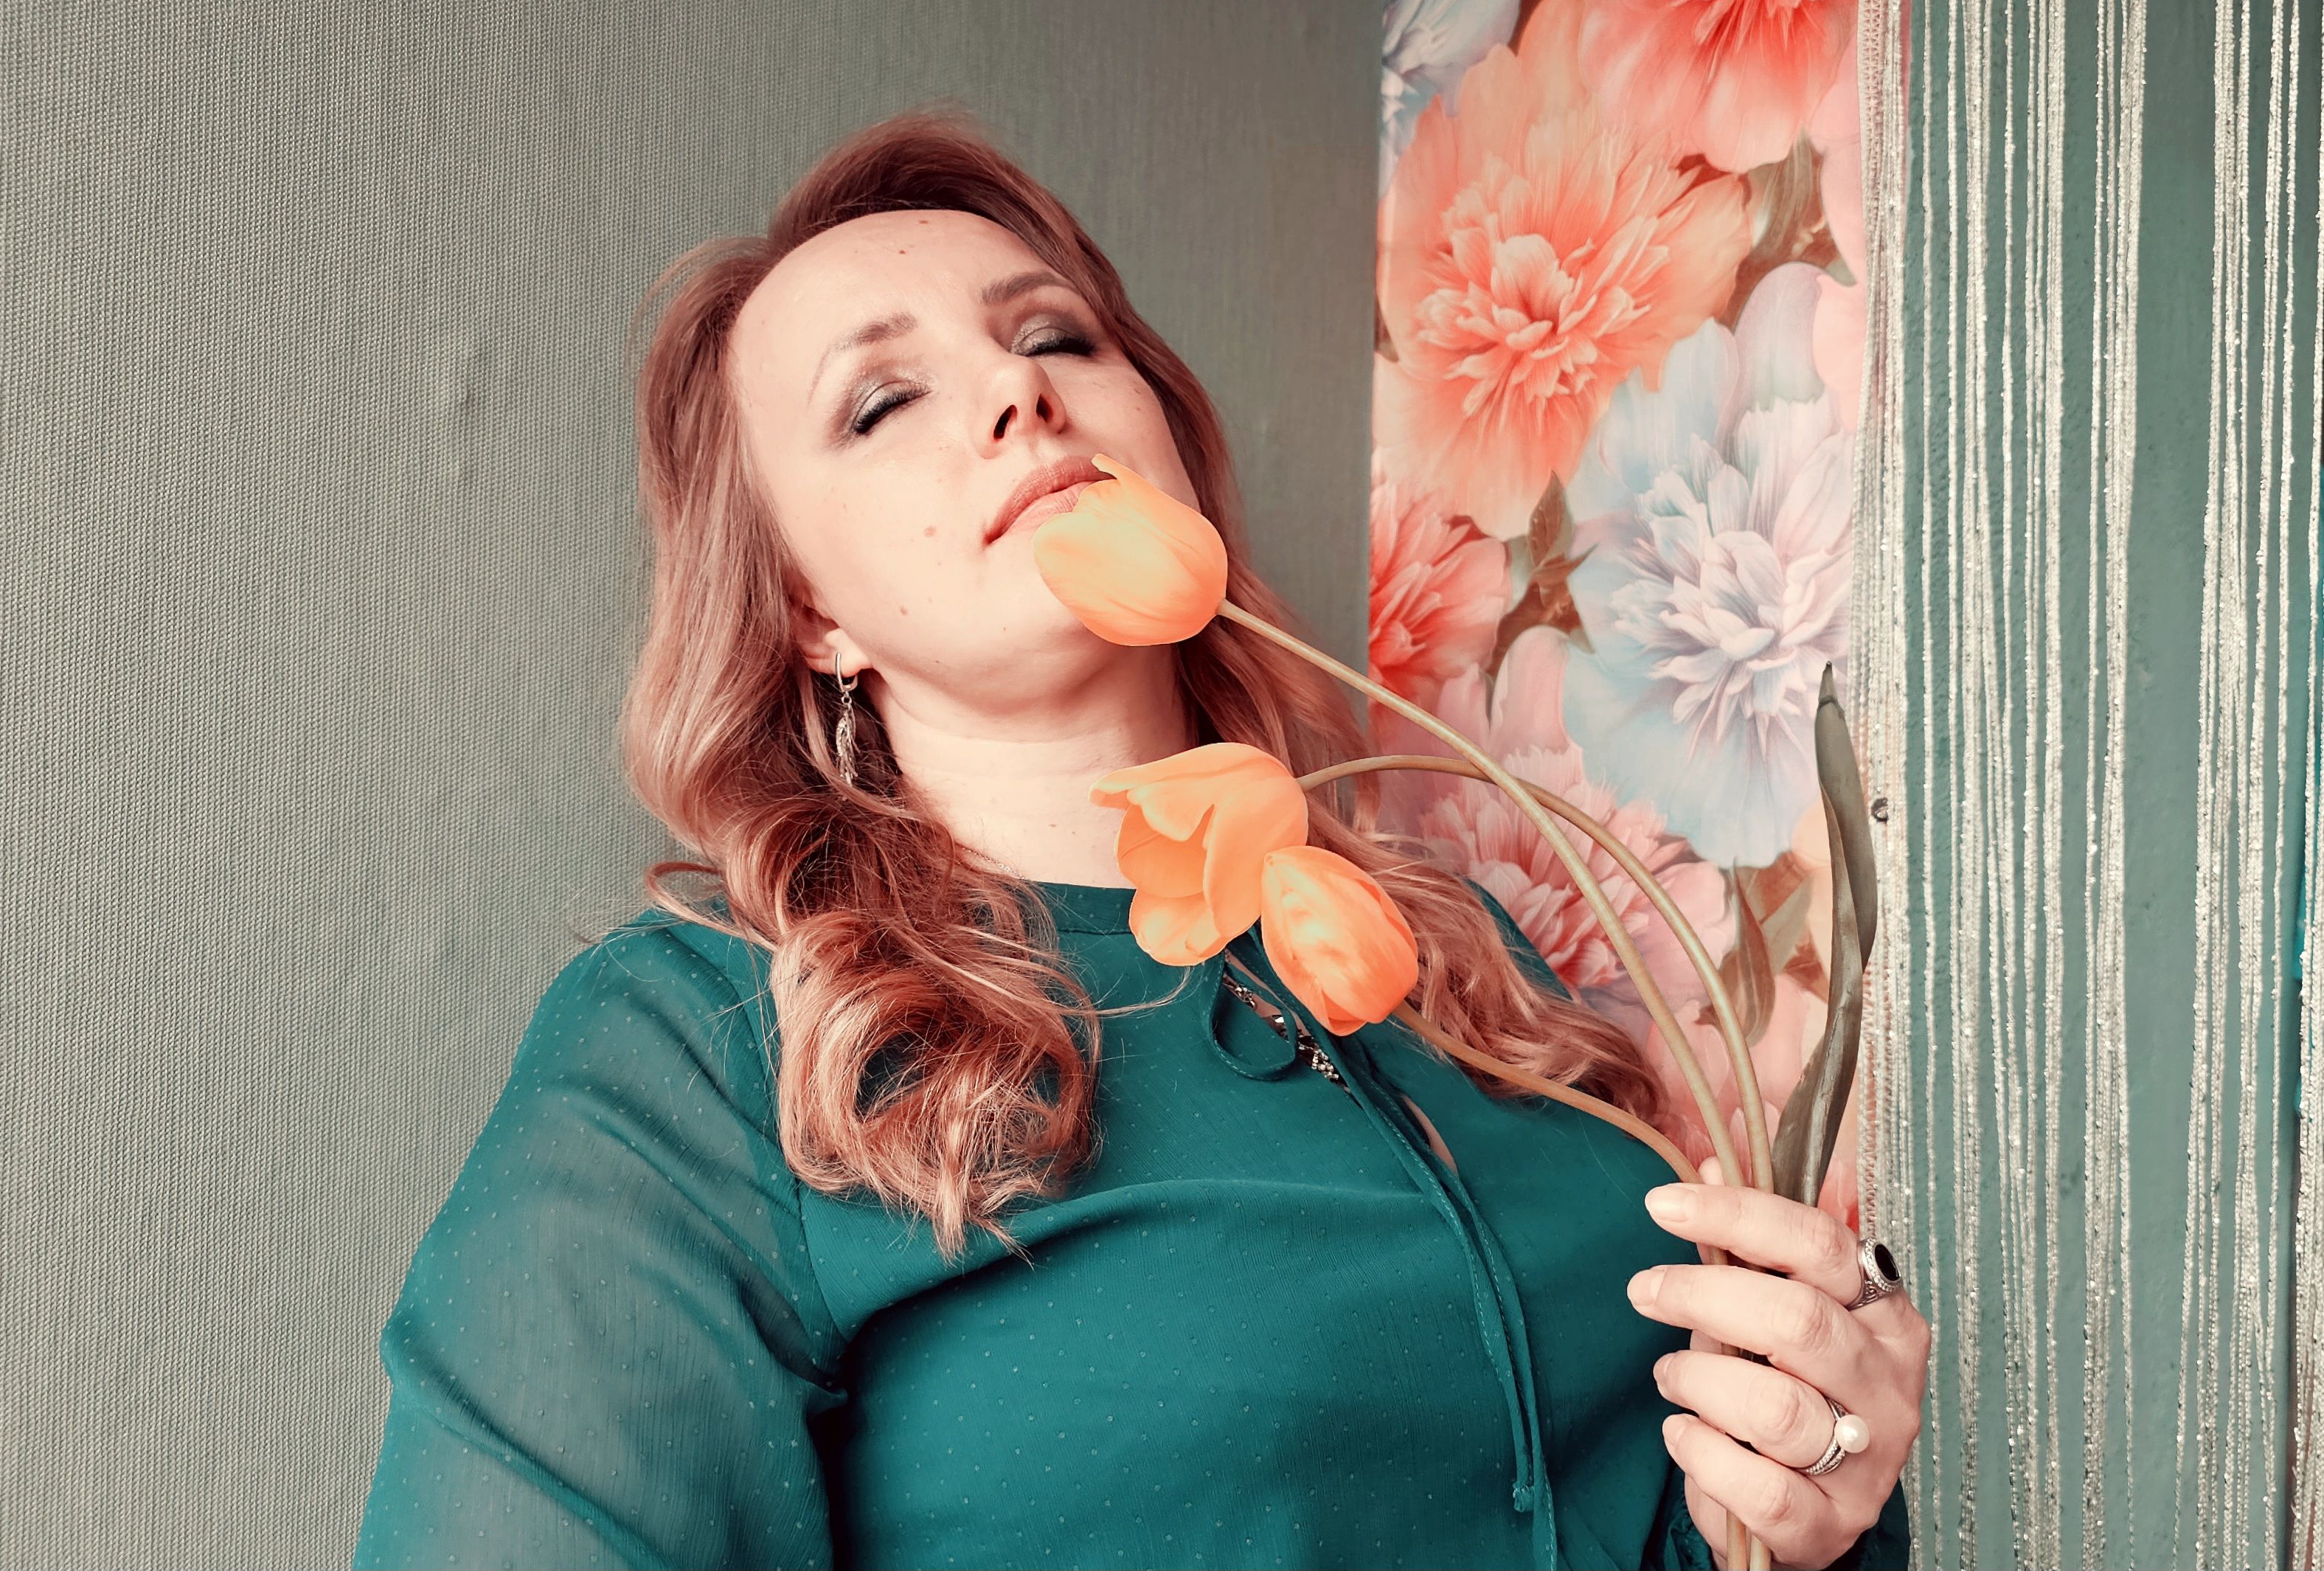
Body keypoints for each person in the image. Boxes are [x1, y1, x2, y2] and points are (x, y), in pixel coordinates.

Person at [351, 104, 1929, 1571]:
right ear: (807, 609)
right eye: (883, 401)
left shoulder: (1455, 954)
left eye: (1055, 336)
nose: (1020, 393)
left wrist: (1816, 1509)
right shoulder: (700, 1051)